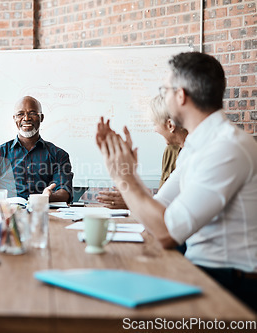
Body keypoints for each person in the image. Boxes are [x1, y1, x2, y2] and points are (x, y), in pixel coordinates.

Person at [96, 52, 257, 310]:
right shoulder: (196, 146)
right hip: (201, 272)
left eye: (165, 89)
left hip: (229, 287)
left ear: (181, 96)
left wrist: (125, 176)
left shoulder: (227, 147)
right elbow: (158, 208)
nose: (164, 97)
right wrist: (127, 176)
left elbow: (167, 233)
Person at [0, 96, 73, 202]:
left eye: (33, 113)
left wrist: (48, 197)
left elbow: (65, 192)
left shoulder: (59, 155)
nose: (26, 118)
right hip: (8, 214)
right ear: (14, 118)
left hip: (43, 213)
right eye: (20, 114)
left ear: (41, 118)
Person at [97, 94, 188, 209]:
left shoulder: (198, 155)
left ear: (170, 125)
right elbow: (162, 201)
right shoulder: (171, 151)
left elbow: (169, 208)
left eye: (155, 123)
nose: (154, 129)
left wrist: (132, 199)